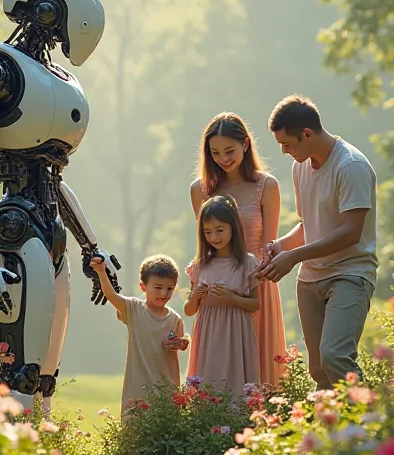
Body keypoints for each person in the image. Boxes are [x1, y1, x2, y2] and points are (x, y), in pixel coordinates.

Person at [260, 95, 377, 388]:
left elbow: (351, 231)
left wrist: (294, 256)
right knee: (318, 370)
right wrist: (282, 246)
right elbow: (308, 223)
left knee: (335, 357)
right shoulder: (300, 165)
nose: (284, 152)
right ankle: (331, 433)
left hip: (350, 275)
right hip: (310, 280)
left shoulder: (351, 167)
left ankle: (370, 426)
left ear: (308, 134)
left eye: (287, 144)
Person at [190, 113, 286, 385]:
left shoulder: (266, 185)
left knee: (260, 371)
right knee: (218, 370)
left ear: (245, 144)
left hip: (257, 283)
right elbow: (206, 241)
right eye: (215, 152)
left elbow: (269, 246)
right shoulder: (200, 190)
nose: (223, 158)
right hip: (217, 289)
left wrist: (245, 282)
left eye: (229, 150)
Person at [90, 253, 188, 417]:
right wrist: (101, 272)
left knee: (166, 433)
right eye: (158, 287)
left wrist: (182, 344)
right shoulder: (134, 309)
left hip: (167, 389)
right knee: (134, 430)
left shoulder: (175, 319)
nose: (164, 293)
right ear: (143, 286)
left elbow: (182, 342)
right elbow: (111, 295)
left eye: (169, 288)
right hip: (137, 388)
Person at [184, 195, 261, 393]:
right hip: (209, 335)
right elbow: (190, 310)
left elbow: (255, 304)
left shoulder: (247, 263)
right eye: (207, 232)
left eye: (220, 230)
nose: (214, 237)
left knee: (236, 383)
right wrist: (196, 296)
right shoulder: (199, 266)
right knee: (210, 382)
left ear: (233, 227)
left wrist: (231, 298)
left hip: (237, 334)